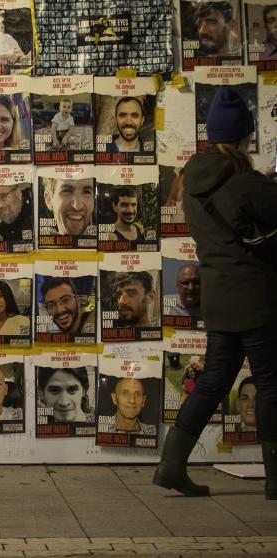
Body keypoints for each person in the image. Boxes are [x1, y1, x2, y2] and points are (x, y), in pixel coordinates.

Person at [153, 86, 277, 499]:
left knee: (211, 384)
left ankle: (171, 466)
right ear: (244, 136)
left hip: (219, 297)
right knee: (271, 382)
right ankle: (275, 480)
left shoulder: (191, 182)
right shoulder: (245, 180)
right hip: (255, 298)